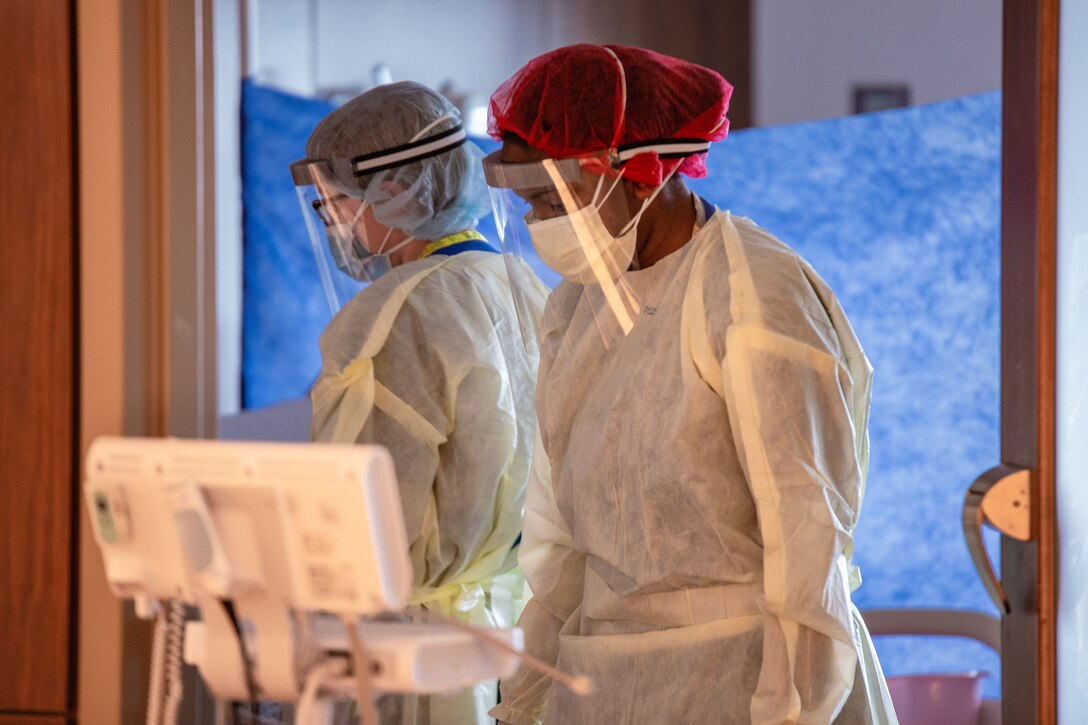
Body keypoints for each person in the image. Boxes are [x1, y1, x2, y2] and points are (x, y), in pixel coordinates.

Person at [482, 45, 899, 724]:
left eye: (554, 199)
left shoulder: (751, 294)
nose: (542, 225)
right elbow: (559, 549)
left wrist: (792, 709)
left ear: (640, 171)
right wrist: (523, 698)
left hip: (744, 681)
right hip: (604, 687)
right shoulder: (576, 309)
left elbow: (806, 541)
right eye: (530, 204)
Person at [290, 80, 548, 725]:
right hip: (514, 626)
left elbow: (365, 520)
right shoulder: (516, 283)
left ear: (399, 192)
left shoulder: (398, 312)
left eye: (337, 202)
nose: (333, 224)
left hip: (414, 646)